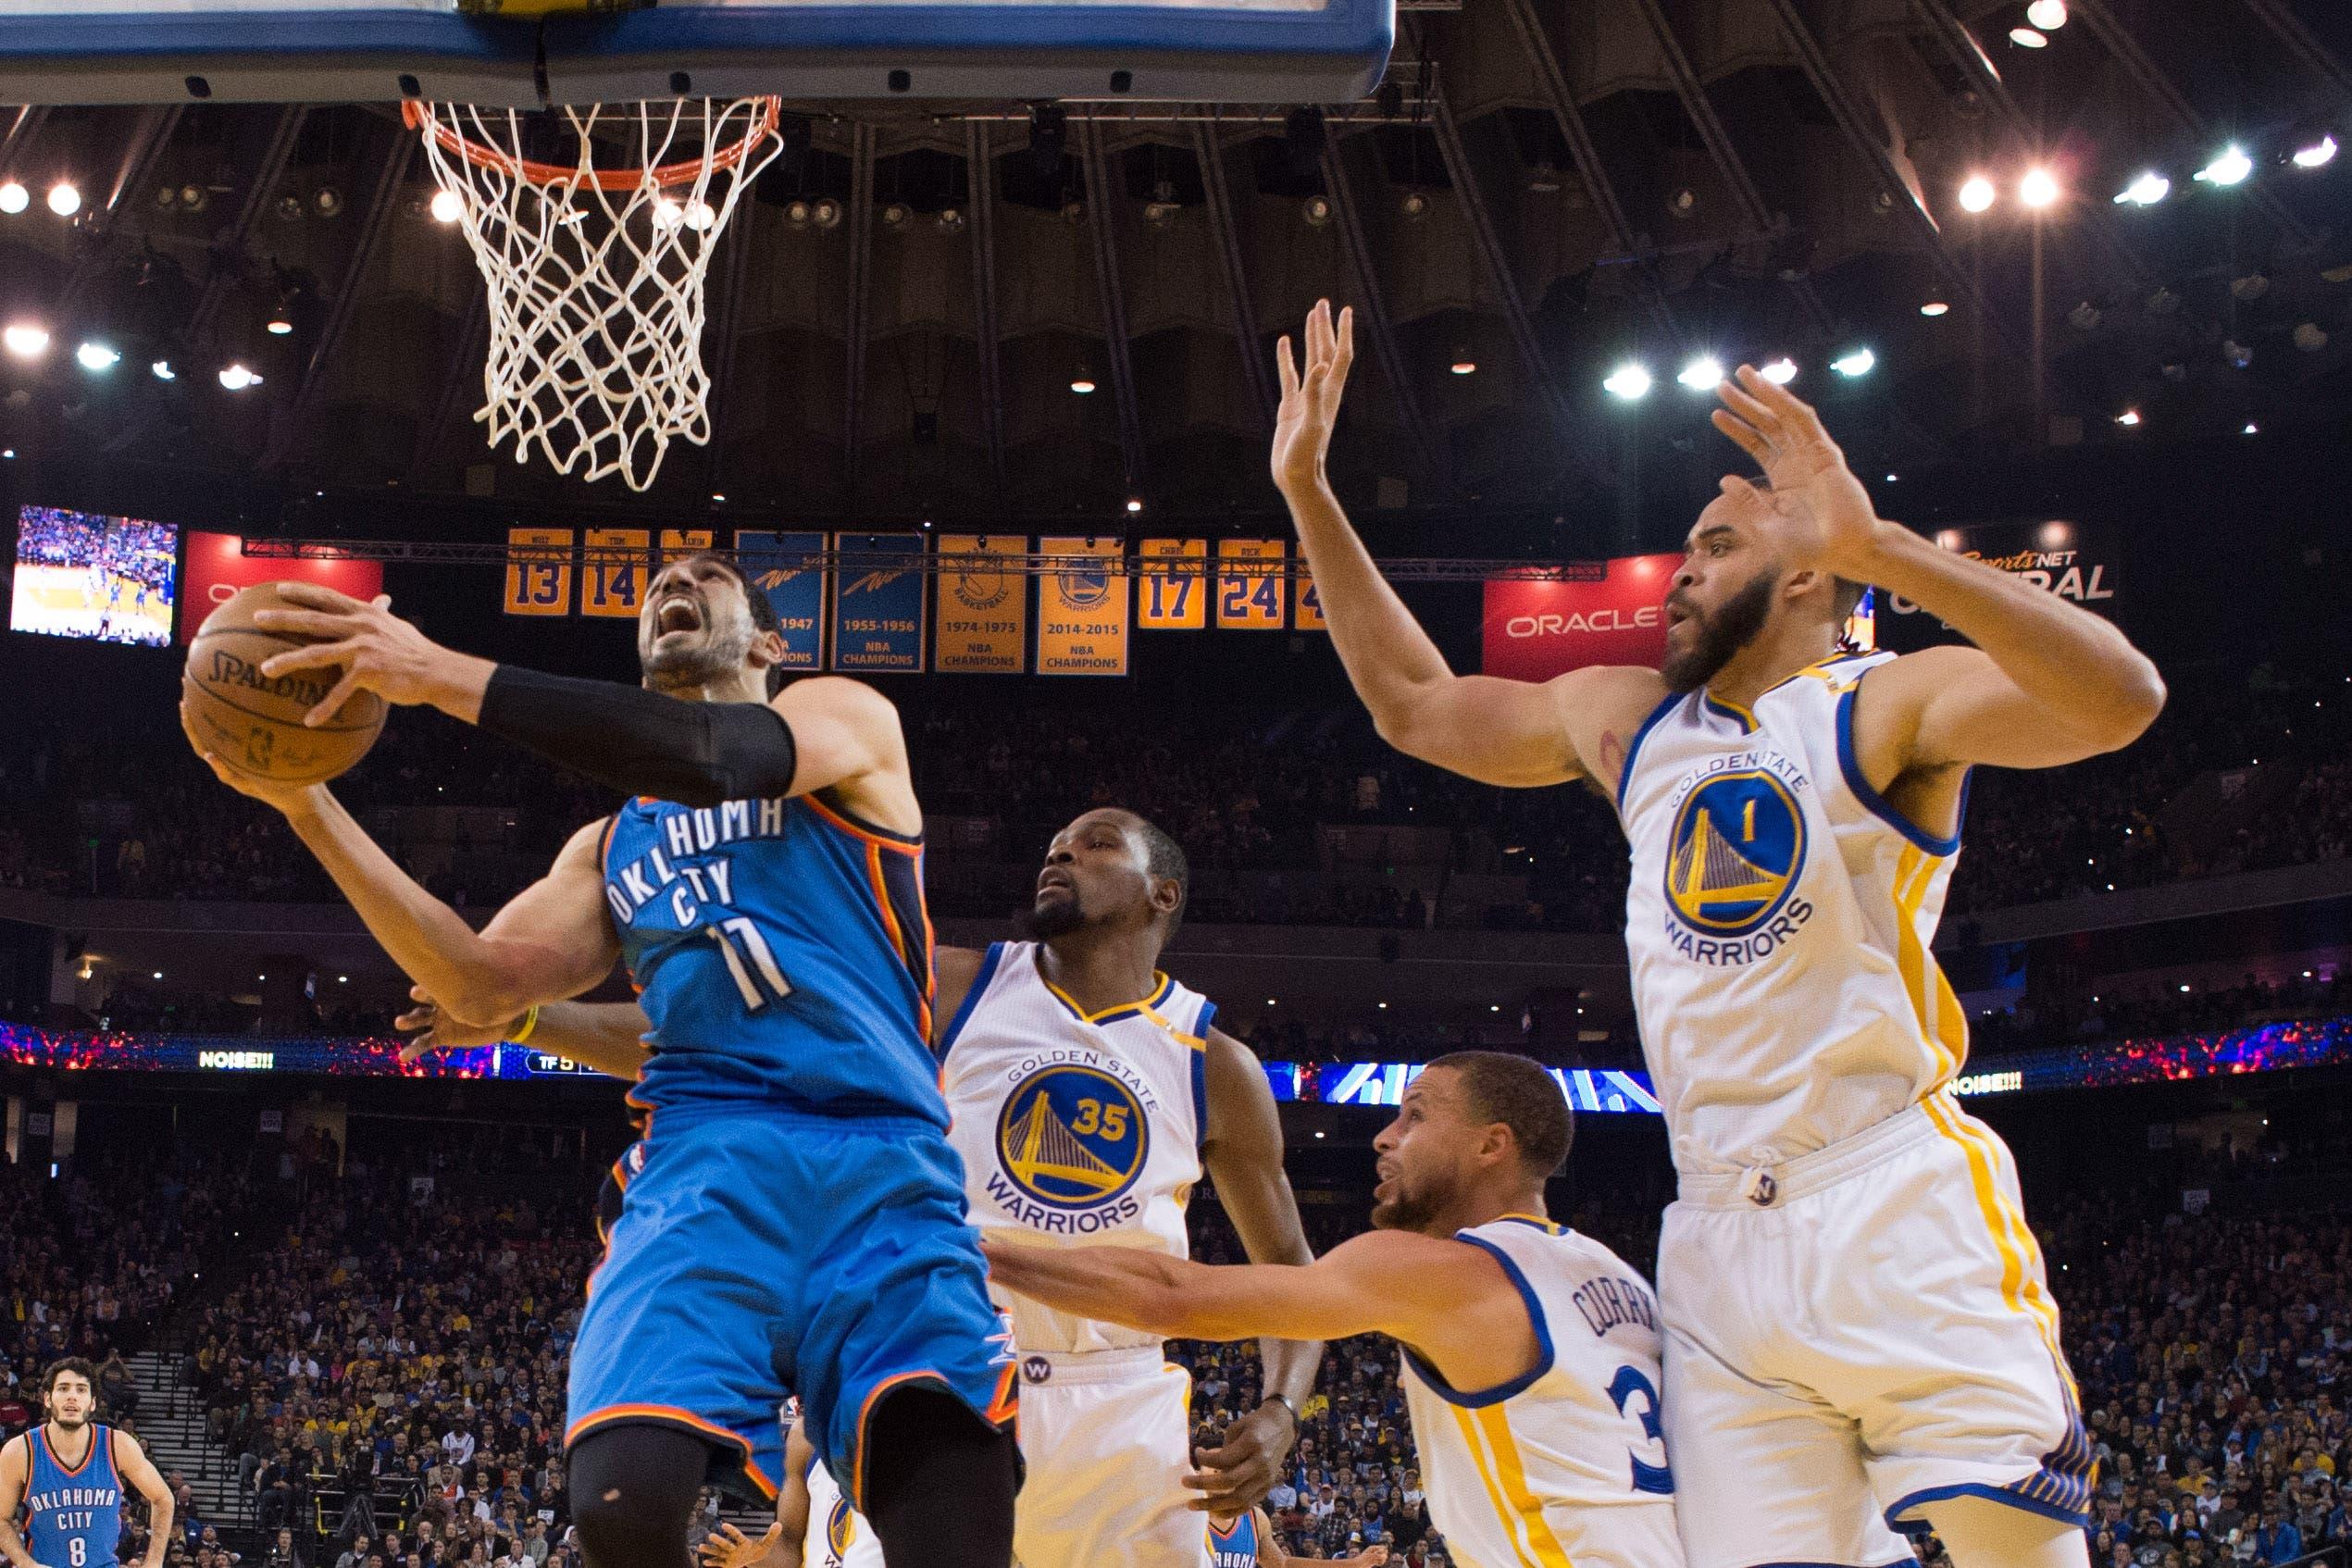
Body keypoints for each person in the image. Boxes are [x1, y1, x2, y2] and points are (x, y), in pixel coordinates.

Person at [1265, 300, 2169, 1568]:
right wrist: (1306, 489)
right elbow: (1417, 706)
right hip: (1715, 1240)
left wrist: (1889, 547)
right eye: (1683, 546)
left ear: (1806, 570)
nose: (1680, 568)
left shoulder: (1877, 708)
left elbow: (2120, 697)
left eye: (1715, 543)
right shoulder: (1631, 724)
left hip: (1887, 1195)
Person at [180, 554, 1020, 1568]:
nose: (679, 580)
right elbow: (483, 986)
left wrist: (434, 670)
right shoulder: (610, 844)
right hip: (705, 1169)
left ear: (768, 641)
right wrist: (309, 803)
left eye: (709, 576)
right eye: (661, 578)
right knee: (621, 1504)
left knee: (957, 1532)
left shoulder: (846, 723)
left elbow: (712, 755)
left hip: (880, 1164)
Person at [406, 805, 1325, 1564]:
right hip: (943, 1378)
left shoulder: (1213, 1060)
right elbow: (717, 1030)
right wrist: (523, 1013)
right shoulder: (952, 989)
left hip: (1124, 1416)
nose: (1060, 852)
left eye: (1093, 844)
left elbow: (1290, 1268)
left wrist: (1282, 1409)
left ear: (1163, 891)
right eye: (1053, 843)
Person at [982, 1052, 1686, 1568]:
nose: (1384, 1137)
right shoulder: (1617, 1276)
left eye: (1414, 1116)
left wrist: (977, 1250)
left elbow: (1177, 1296)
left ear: (1489, 1145)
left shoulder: (1445, 1270)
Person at [0, 1359, 176, 1568]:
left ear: (92, 1403)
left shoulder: (118, 1445)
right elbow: (2, 1519)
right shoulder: (20, 1451)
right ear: (47, 1398)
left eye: (81, 1390)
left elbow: (163, 1498)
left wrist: (154, 1562)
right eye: (63, 1388)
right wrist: (26, 1564)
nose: (72, 1396)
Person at [1207, 1507, 1388, 1568]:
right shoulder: (1188, 1517)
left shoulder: (1255, 1517)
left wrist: (1355, 1564)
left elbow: (1283, 1564)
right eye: (1213, 1469)